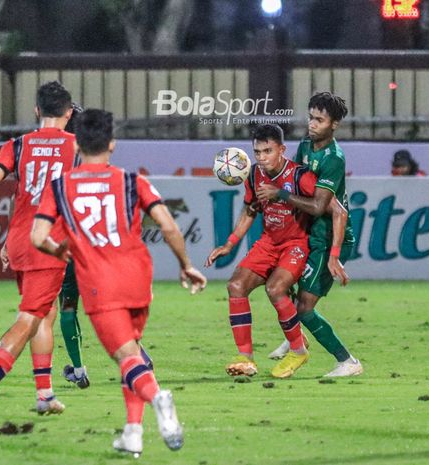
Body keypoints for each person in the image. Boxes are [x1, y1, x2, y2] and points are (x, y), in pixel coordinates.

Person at [31, 109, 207, 457]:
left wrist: (59, 250)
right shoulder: (133, 181)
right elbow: (168, 225)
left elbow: (38, 236)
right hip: (139, 279)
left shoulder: (60, 187)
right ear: (112, 143)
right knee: (134, 350)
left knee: (126, 356)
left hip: (100, 284)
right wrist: (186, 265)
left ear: (77, 144)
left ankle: (158, 398)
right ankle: (133, 433)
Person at [0, 81, 77, 423]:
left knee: (44, 314)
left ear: (36, 111)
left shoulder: (17, 144)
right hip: (50, 244)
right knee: (29, 317)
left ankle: (45, 394)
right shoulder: (76, 146)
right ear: (69, 114)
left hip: (20, 240)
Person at [205, 124, 348, 379]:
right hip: (268, 241)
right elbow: (250, 209)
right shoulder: (253, 175)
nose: (261, 158)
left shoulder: (299, 176)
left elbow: (333, 208)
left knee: (275, 289)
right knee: (235, 286)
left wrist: (334, 254)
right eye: (257, 152)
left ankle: (298, 350)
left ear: (281, 150)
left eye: (267, 151)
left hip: (296, 244)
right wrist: (229, 244)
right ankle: (245, 358)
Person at [257, 92, 362, 377]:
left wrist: (335, 256)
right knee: (279, 281)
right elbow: (294, 180)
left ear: (334, 124)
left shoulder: (334, 159)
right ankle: (296, 338)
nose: (312, 124)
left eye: (320, 120)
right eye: (311, 118)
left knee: (304, 308)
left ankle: (348, 361)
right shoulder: (305, 146)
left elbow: (320, 206)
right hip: (308, 234)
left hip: (328, 240)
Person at [58, 102, 90, 389]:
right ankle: (139, 358)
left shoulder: (58, 158)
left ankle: (79, 370)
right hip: (97, 243)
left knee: (67, 307)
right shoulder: (96, 157)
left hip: (69, 242)